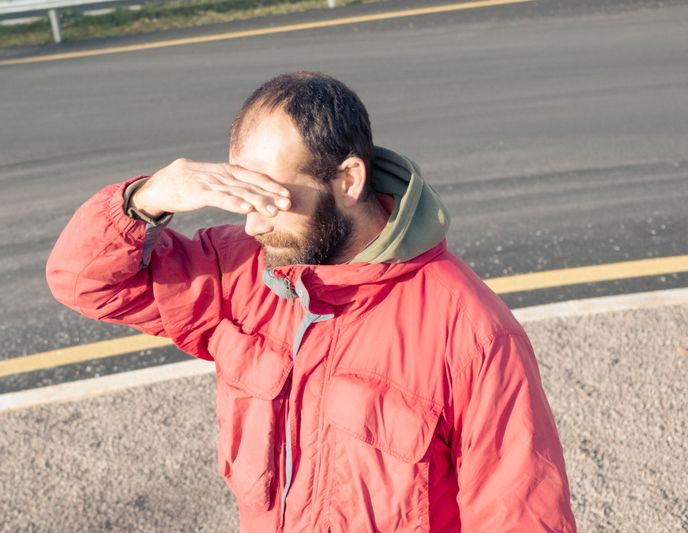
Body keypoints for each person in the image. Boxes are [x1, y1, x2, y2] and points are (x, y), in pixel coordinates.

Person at [46, 72, 576, 532]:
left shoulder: (472, 334)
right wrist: (147, 199)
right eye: (241, 195)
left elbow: (520, 516)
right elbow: (86, 283)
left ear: (348, 180)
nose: (252, 224)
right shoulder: (245, 270)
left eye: (273, 199)